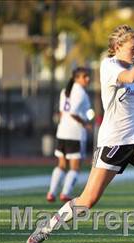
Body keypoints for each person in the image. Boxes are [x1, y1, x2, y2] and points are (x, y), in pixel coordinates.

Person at [26, 24, 134, 243]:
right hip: (113, 144)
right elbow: (128, 78)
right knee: (87, 201)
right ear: (117, 47)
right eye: (133, 48)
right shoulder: (109, 66)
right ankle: (47, 227)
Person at [46, 67, 92, 203]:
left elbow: (62, 113)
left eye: (88, 76)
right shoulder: (81, 93)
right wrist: (85, 124)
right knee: (75, 167)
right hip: (75, 134)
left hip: (62, 131)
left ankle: (51, 193)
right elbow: (73, 112)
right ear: (76, 78)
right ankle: (65, 193)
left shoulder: (65, 92)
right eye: (85, 76)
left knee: (61, 164)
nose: (87, 79)